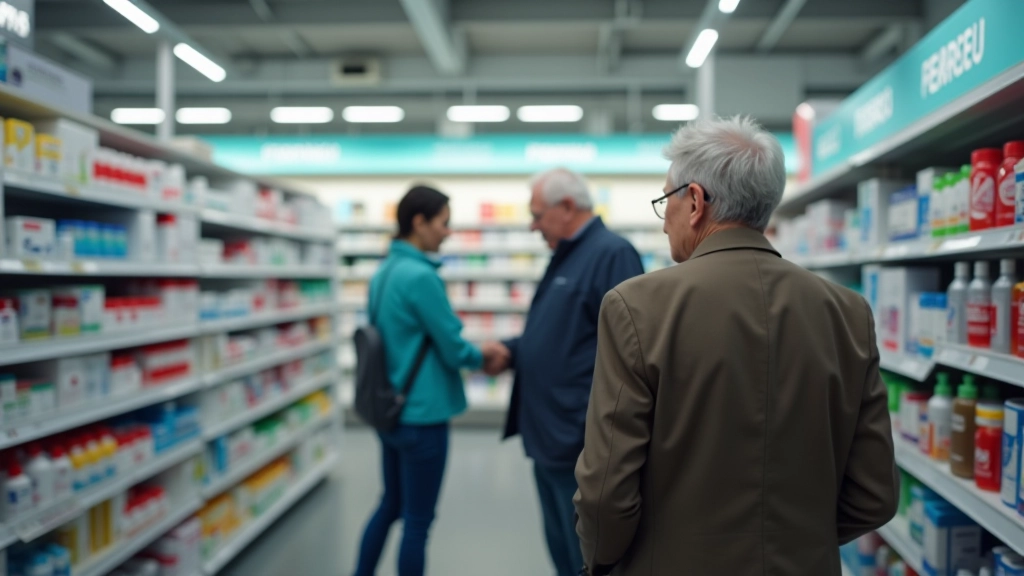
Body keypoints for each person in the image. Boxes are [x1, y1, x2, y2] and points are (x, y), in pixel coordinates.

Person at [573, 116, 899, 576]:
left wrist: (605, 559)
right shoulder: (847, 312)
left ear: (695, 202)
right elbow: (875, 493)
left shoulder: (637, 306)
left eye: (666, 200)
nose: (665, 221)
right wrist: (797, 540)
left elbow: (606, 492)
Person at [487, 168, 645, 576]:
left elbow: (632, 353)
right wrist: (514, 350)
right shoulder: (567, 254)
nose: (532, 224)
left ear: (568, 207)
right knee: (560, 547)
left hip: (578, 439)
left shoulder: (611, 254)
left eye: (538, 214)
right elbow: (563, 336)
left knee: (584, 556)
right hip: (548, 437)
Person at [353, 185, 508, 576]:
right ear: (418, 222)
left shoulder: (384, 271)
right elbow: (454, 348)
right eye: (443, 223)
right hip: (422, 416)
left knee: (390, 504)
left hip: (390, 410)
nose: (448, 231)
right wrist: (486, 356)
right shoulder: (421, 277)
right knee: (418, 521)